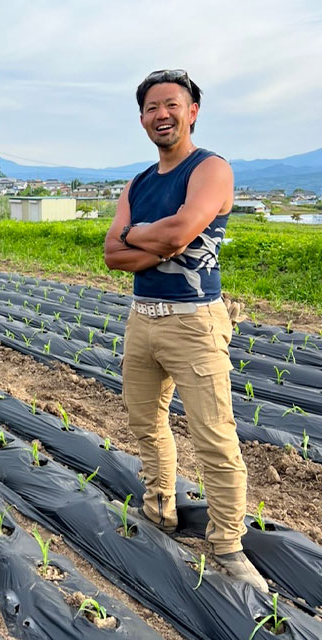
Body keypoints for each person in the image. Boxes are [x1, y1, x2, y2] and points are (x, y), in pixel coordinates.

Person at [104, 69, 268, 592]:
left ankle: (227, 545)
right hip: (142, 319)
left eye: (171, 104)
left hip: (194, 321)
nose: (162, 115)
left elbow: (179, 234)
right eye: (152, 108)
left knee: (214, 436)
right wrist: (146, 237)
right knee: (146, 422)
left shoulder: (210, 169)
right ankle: (160, 505)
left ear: (192, 110)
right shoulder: (139, 183)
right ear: (142, 119)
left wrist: (141, 237)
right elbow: (112, 255)